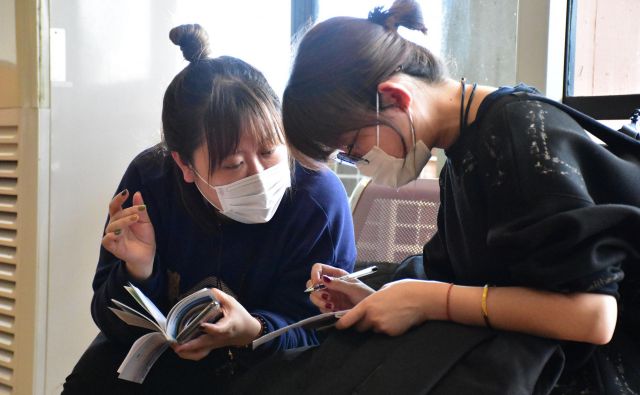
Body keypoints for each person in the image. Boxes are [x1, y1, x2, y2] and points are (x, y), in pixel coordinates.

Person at [231, 1, 640, 394]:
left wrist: (428, 300)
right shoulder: (465, 147)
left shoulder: (517, 139)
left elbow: (593, 316)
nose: (360, 163)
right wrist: (379, 299)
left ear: (395, 98)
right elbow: (465, 281)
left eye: (353, 149)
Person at [62, 24, 356, 394]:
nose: (260, 175)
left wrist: (253, 330)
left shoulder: (317, 196)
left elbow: (323, 328)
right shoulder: (150, 181)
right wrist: (138, 271)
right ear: (185, 166)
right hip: (161, 361)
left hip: (265, 364)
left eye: (269, 150)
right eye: (233, 165)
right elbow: (110, 322)